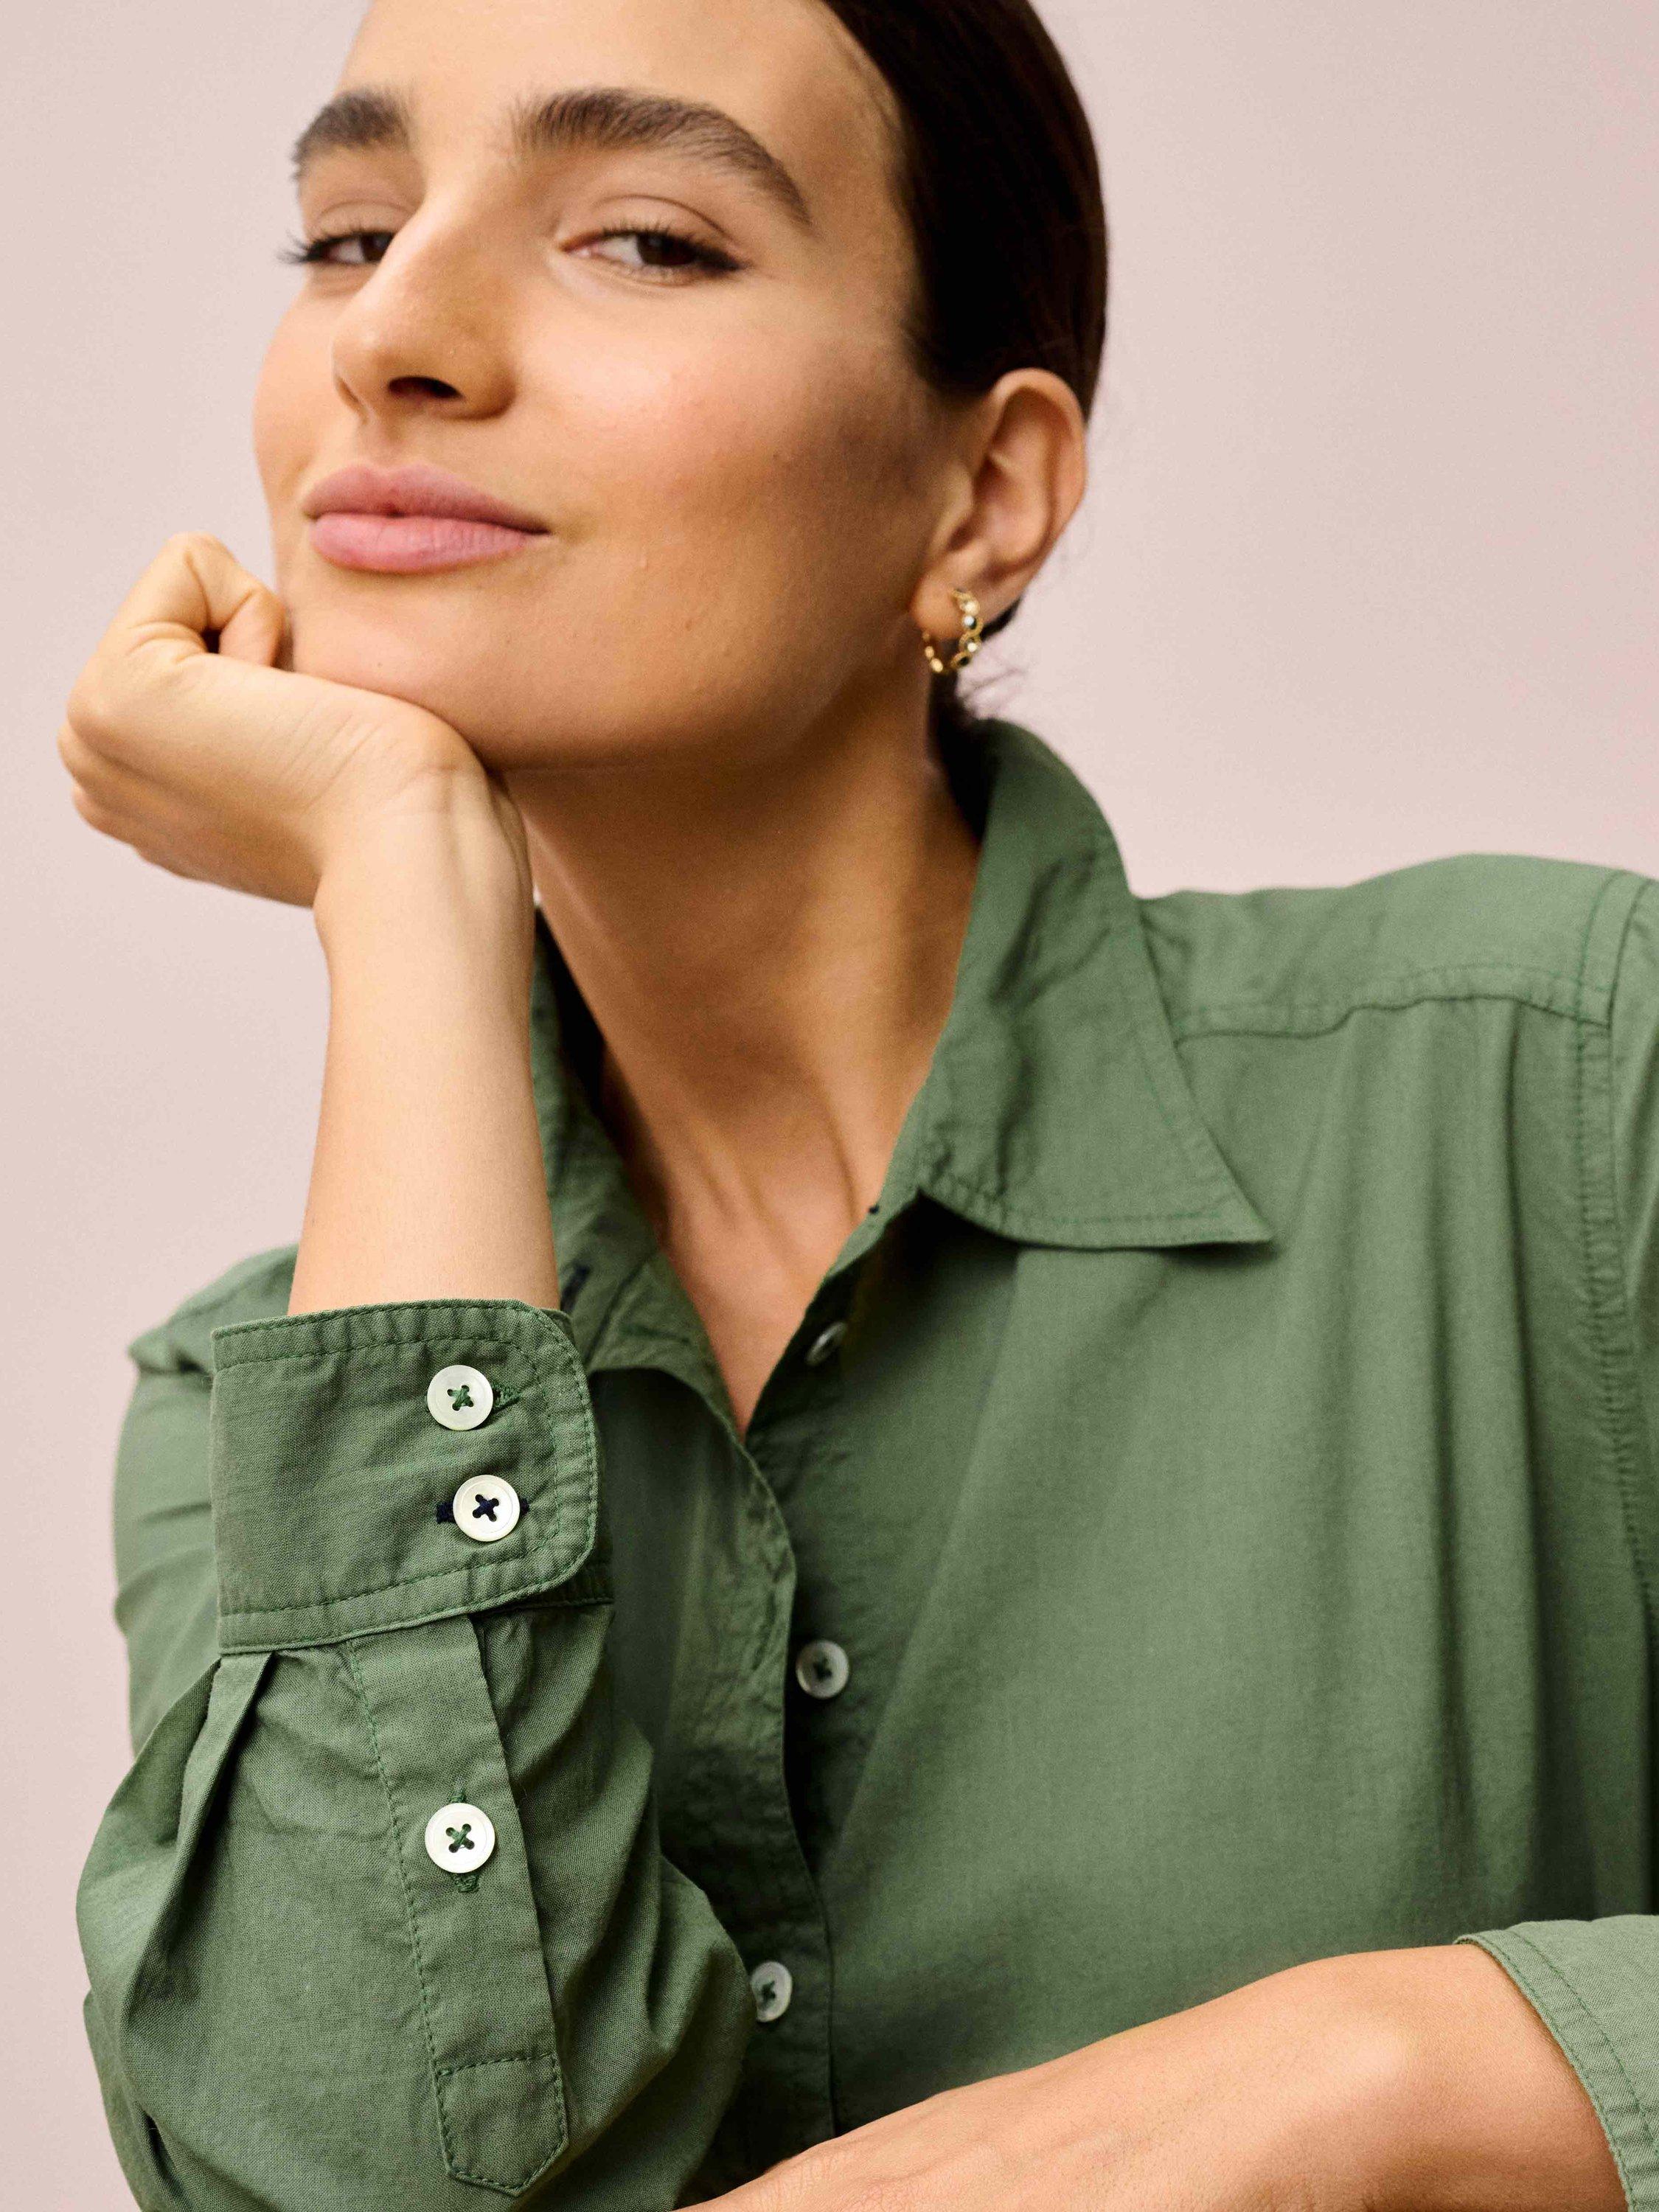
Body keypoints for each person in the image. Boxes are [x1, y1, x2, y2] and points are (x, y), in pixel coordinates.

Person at [61, 0, 1656, 2206]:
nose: (393, 335)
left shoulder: (1566, 1088)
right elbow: (372, 2176)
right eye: (348, 235)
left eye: (642, 239)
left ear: (980, 495)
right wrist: (404, 895)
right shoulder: (265, 1421)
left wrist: (1396, 2068)